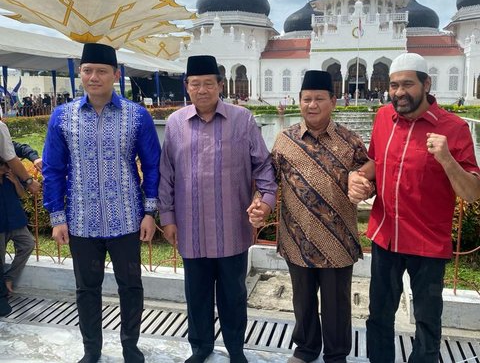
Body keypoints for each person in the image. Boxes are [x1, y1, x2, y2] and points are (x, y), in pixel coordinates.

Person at [348, 52, 480, 363]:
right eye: (394, 85)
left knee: (426, 322)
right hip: (385, 237)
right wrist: (357, 176)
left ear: (426, 84)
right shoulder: (383, 118)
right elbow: (376, 162)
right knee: (378, 316)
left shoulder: (454, 128)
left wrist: (446, 158)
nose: (399, 92)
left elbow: (472, 193)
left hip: (428, 243)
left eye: (407, 84)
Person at [42, 43, 161, 363]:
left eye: (102, 71)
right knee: (86, 289)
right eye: (88, 70)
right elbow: (53, 169)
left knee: (131, 287)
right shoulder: (62, 117)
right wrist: (57, 217)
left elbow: (152, 166)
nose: (94, 77)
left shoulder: (136, 116)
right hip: (81, 220)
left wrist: (150, 212)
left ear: (116, 75)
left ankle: (130, 347)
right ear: (80, 73)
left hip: (126, 219)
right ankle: (91, 351)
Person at [159, 55, 277, 363]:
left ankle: (236, 349)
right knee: (196, 295)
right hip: (191, 228)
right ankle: (200, 348)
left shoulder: (243, 119)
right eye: (194, 84)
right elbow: (166, 173)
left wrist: (265, 201)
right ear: (186, 87)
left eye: (208, 83)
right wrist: (168, 218)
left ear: (220, 86)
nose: (201, 90)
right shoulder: (175, 123)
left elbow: (263, 166)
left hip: (232, 228)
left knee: (233, 295)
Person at [267, 70, 369, 363]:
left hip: (338, 240)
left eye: (319, 99)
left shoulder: (350, 141)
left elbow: (368, 175)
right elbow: (269, 179)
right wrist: (259, 202)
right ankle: (306, 349)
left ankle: (336, 355)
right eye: (307, 99)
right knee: (303, 300)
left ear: (333, 101)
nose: (312, 105)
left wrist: (363, 183)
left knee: (337, 304)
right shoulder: (284, 140)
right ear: (299, 101)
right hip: (296, 237)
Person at [0, 158, 34, 295]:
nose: (7, 168)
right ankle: (2, 290)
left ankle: (10, 277)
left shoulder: (11, 177)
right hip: (1, 225)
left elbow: (23, 195)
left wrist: (15, 182)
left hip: (16, 221)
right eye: (3, 166)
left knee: (28, 244)